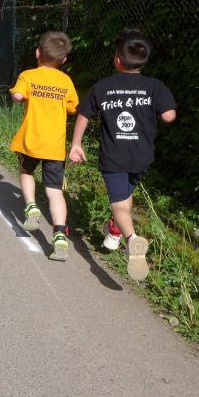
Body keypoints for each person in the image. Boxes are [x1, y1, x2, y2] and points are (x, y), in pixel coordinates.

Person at [69, 29, 176, 280]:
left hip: (114, 156)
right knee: (126, 197)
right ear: (144, 60)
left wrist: (76, 144)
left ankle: (132, 239)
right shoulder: (154, 86)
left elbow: (83, 114)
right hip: (141, 156)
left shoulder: (103, 87)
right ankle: (114, 234)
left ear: (117, 60)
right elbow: (169, 115)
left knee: (119, 205)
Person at [9, 31, 79, 261]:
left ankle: (31, 206)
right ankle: (59, 235)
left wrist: (20, 95)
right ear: (64, 60)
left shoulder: (28, 75)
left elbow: (18, 96)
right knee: (54, 190)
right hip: (55, 145)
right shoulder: (65, 81)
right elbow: (73, 107)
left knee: (26, 172)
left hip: (31, 140)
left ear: (37, 53)